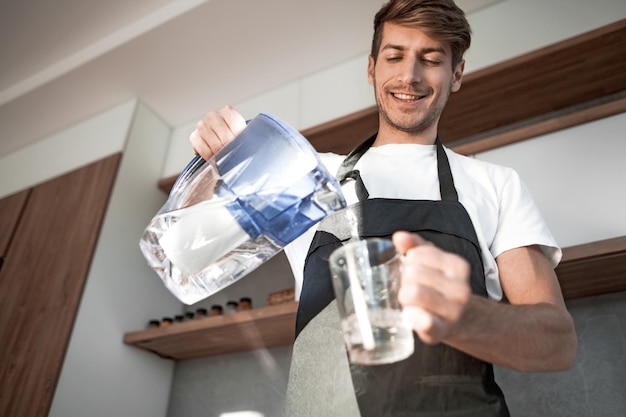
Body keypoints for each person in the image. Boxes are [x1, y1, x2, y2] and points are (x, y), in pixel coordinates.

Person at [190, 0, 578, 415]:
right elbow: (196, 249)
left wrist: (464, 316)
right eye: (395, 56)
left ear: (457, 74)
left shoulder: (496, 184)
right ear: (372, 68)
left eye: (431, 59)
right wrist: (210, 168)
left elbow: (556, 343)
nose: (409, 75)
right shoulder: (307, 173)